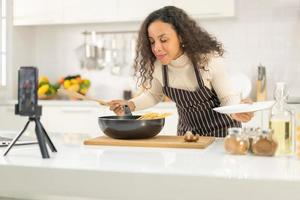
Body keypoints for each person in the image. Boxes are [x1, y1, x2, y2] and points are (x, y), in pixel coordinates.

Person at [109, 6, 253, 137]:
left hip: (222, 134)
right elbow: (153, 95)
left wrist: (236, 111)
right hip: (187, 135)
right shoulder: (158, 65)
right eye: (152, 41)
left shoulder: (208, 60)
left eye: (163, 39)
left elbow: (227, 97)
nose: (156, 48)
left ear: (181, 36)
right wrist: (129, 106)